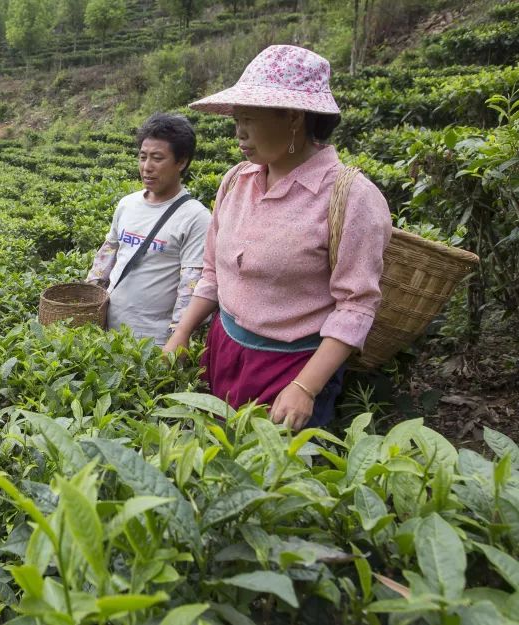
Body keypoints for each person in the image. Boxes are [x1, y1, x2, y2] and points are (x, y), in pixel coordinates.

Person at [163, 45, 392, 431]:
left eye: (249, 119)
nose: (239, 133)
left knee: (273, 465)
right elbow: (213, 273)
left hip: (293, 368)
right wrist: (182, 331)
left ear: (294, 117)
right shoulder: (236, 180)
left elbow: (356, 305)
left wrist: (305, 387)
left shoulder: (351, 197)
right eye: (237, 119)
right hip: (223, 349)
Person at [86, 112, 211, 341]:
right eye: (143, 157)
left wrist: (177, 338)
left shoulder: (196, 217)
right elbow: (106, 257)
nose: (147, 167)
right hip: (106, 334)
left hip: (153, 342)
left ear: (181, 162)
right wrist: (86, 301)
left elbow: (190, 286)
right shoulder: (127, 204)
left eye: (157, 158)